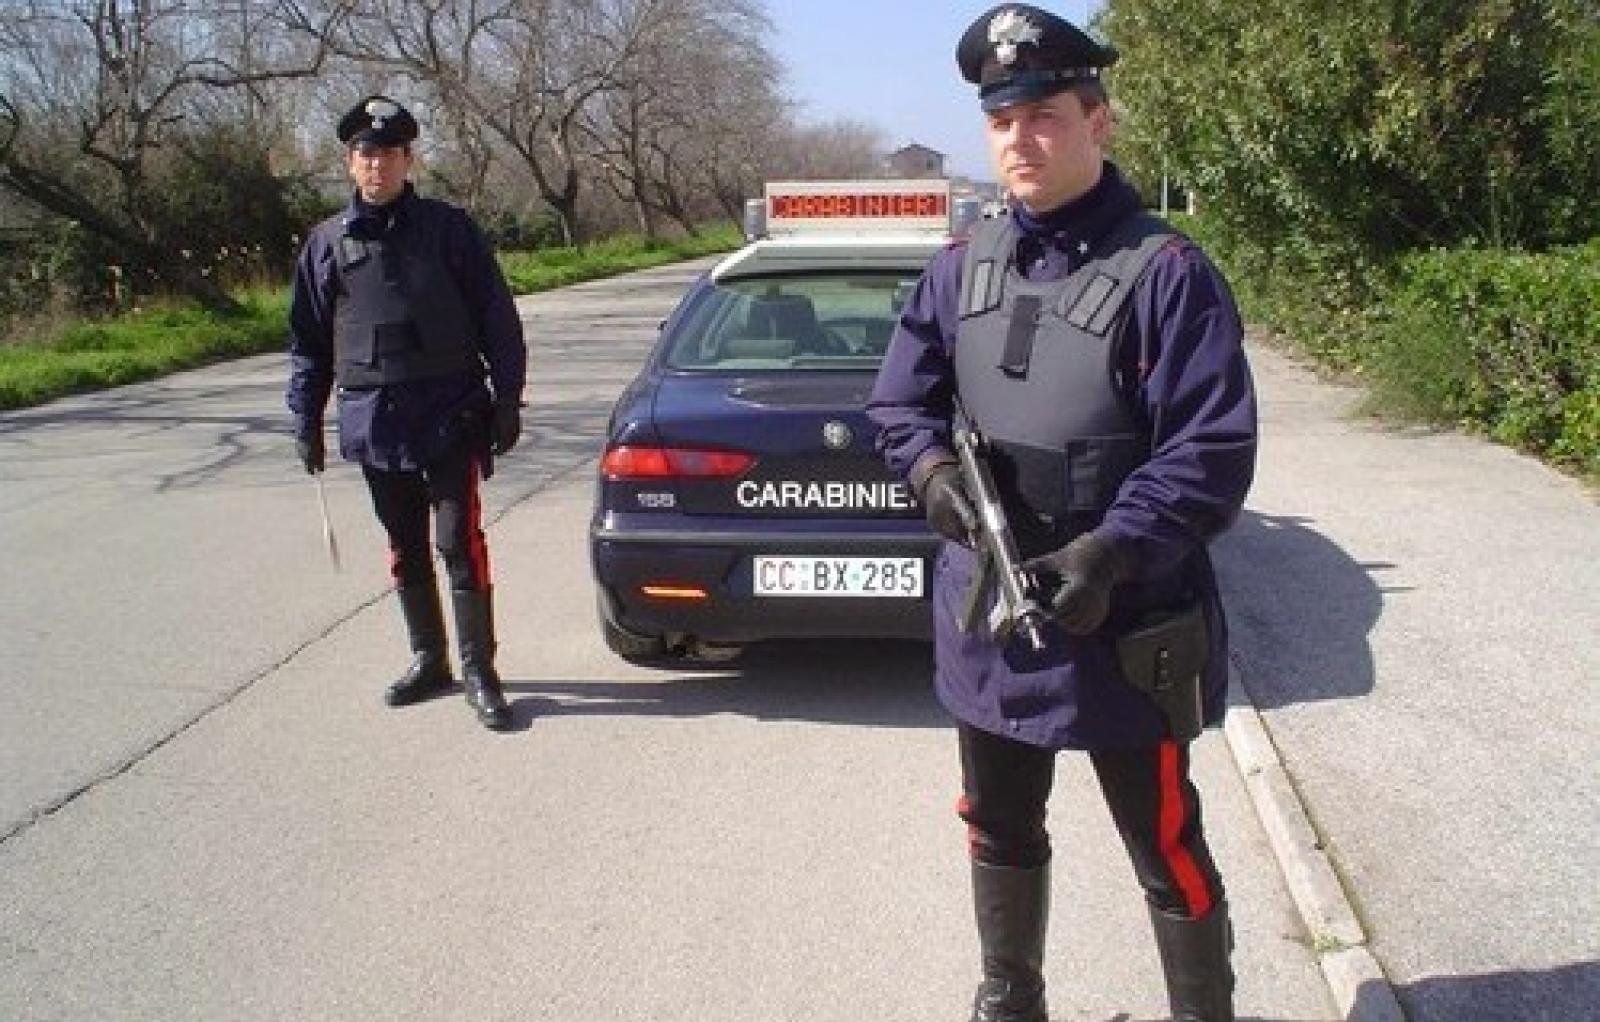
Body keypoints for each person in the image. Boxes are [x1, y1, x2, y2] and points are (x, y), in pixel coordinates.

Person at [867, 6, 1257, 1021]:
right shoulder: (959, 267)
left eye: (1042, 115)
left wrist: (1114, 548)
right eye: (1001, 122)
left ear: (1099, 122)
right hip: (992, 613)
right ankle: (1010, 997)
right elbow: (897, 405)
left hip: (1125, 617)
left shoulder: (1168, 275)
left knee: (1164, 841)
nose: (1018, 141)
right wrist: (933, 480)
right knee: (997, 823)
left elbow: (1209, 450)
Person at [286, 95, 528, 732]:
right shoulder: (325, 246)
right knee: (405, 545)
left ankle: (480, 670)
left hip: (449, 414)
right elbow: (309, 344)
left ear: (407, 159)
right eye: (365, 154)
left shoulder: (449, 230)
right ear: (349, 163)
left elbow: (498, 319)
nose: (376, 166)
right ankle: (430, 660)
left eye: (388, 153)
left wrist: (507, 399)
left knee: (458, 542)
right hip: (375, 418)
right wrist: (304, 418)